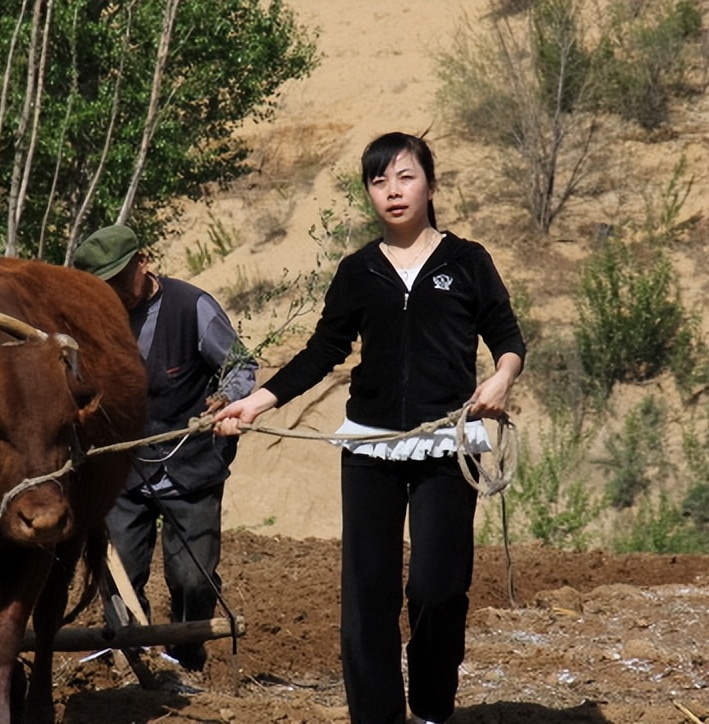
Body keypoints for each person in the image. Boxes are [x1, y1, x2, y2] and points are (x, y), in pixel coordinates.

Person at [213, 132, 526, 724]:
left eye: (405, 177)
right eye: (378, 181)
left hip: (448, 444)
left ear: (430, 184)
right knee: (368, 595)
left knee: (438, 587)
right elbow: (322, 350)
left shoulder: (468, 262)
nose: (393, 191)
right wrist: (257, 402)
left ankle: (433, 706)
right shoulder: (357, 270)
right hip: (370, 445)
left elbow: (507, 339)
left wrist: (501, 379)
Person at [72, 223, 257, 671]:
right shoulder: (93, 322)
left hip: (191, 466)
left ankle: (186, 654)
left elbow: (240, 363)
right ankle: (130, 660)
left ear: (144, 261)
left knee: (193, 580)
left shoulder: (191, 306)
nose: (116, 293)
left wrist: (228, 397)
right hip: (123, 471)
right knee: (118, 577)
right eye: (105, 286)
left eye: (121, 279)